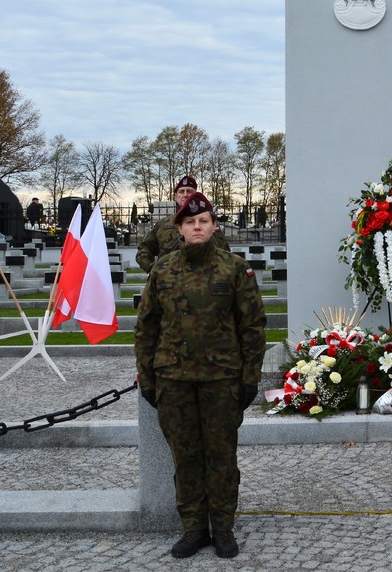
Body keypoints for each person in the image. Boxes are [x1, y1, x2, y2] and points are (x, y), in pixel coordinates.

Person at [134, 192, 267, 559]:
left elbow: (253, 327)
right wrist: (147, 379)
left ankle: (222, 528)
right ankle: (194, 528)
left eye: (203, 221)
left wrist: (249, 378)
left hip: (221, 381)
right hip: (174, 380)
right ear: (179, 227)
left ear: (213, 226)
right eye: (190, 222)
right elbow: (146, 328)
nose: (197, 227)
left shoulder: (234, 268)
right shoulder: (162, 270)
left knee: (222, 457)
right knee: (186, 457)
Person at [136, 176, 230, 274]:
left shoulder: (208, 223)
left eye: (189, 191)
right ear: (176, 197)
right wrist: (153, 269)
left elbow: (225, 253)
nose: (185, 195)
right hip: (170, 281)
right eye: (181, 191)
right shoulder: (163, 224)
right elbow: (144, 249)